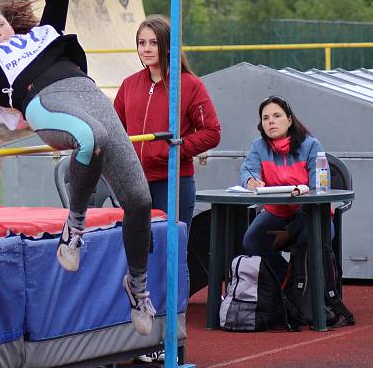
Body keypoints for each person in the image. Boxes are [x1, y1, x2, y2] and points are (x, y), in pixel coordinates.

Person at [0, 0, 156, 334]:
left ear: (11, 26)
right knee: (88, 138)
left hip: (89, 94)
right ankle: (73, 229)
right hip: (44, 100)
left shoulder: (43, 35)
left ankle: (138, 288)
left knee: (139, 199)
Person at [114, 15, 221, 229]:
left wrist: (179, 148)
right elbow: (115, 129)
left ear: (169, 46)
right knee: (139, 254)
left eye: (154, 43)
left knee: (173, 252)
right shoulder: (129, 84)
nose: (146, 49)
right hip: (135, 183)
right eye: (141, 43)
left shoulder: (190, 85)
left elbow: (211, 132)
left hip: (173, 181)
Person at [240, 95, 327, 281]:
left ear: (289, 120)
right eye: (265, 118)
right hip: (276, 212)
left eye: (277, 116)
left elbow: (318, 191)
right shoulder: (257, 146)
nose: (271, 121)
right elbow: (247, 170)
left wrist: (290, 232)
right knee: (251, 240)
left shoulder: (312, 145)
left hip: (309, 214)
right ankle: (287, 283)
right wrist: (250, 181)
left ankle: (309, 292)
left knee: (309, 238)